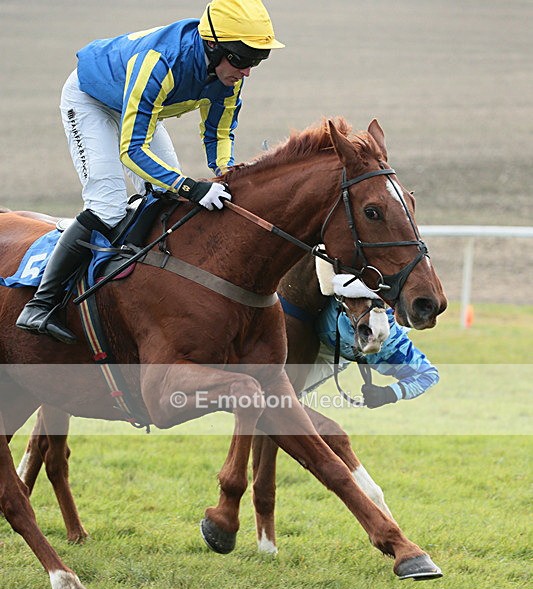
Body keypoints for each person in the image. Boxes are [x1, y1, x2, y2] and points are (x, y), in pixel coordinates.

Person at [16, 0, 284, 344]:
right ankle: (41, 305)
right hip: (92, 99)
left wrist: (226, 174)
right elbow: (132, 150)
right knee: (107, 206)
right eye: (243, 58)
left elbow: (218, 133)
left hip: (139, 105)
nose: (247, 71)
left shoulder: (228, 75)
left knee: (161, 192)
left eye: (257, 60)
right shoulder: (160, 63)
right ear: (213, 45)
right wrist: (191, 188)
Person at [308, 288, 440, 408]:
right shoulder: (393, 345)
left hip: (328, 352)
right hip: (312, 319)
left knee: (290, 397)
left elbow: (428, 375)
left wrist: (388, 394)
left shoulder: (393, 347)